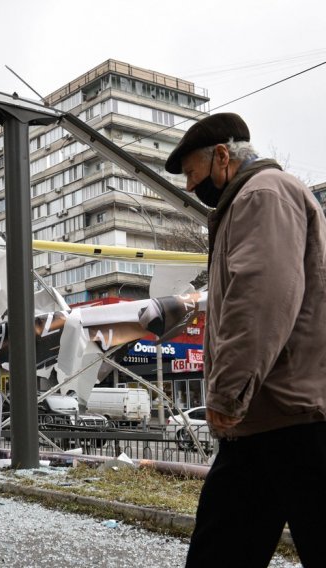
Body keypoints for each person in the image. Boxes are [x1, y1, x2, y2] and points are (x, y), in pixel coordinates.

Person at [165, 112, 326, 567]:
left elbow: (259, 299)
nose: (193, 189)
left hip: (287, 412)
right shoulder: (256, 198)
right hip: (271, 415)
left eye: (194, 175)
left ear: (222, 156)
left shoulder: (262, 195)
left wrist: (228, 392)